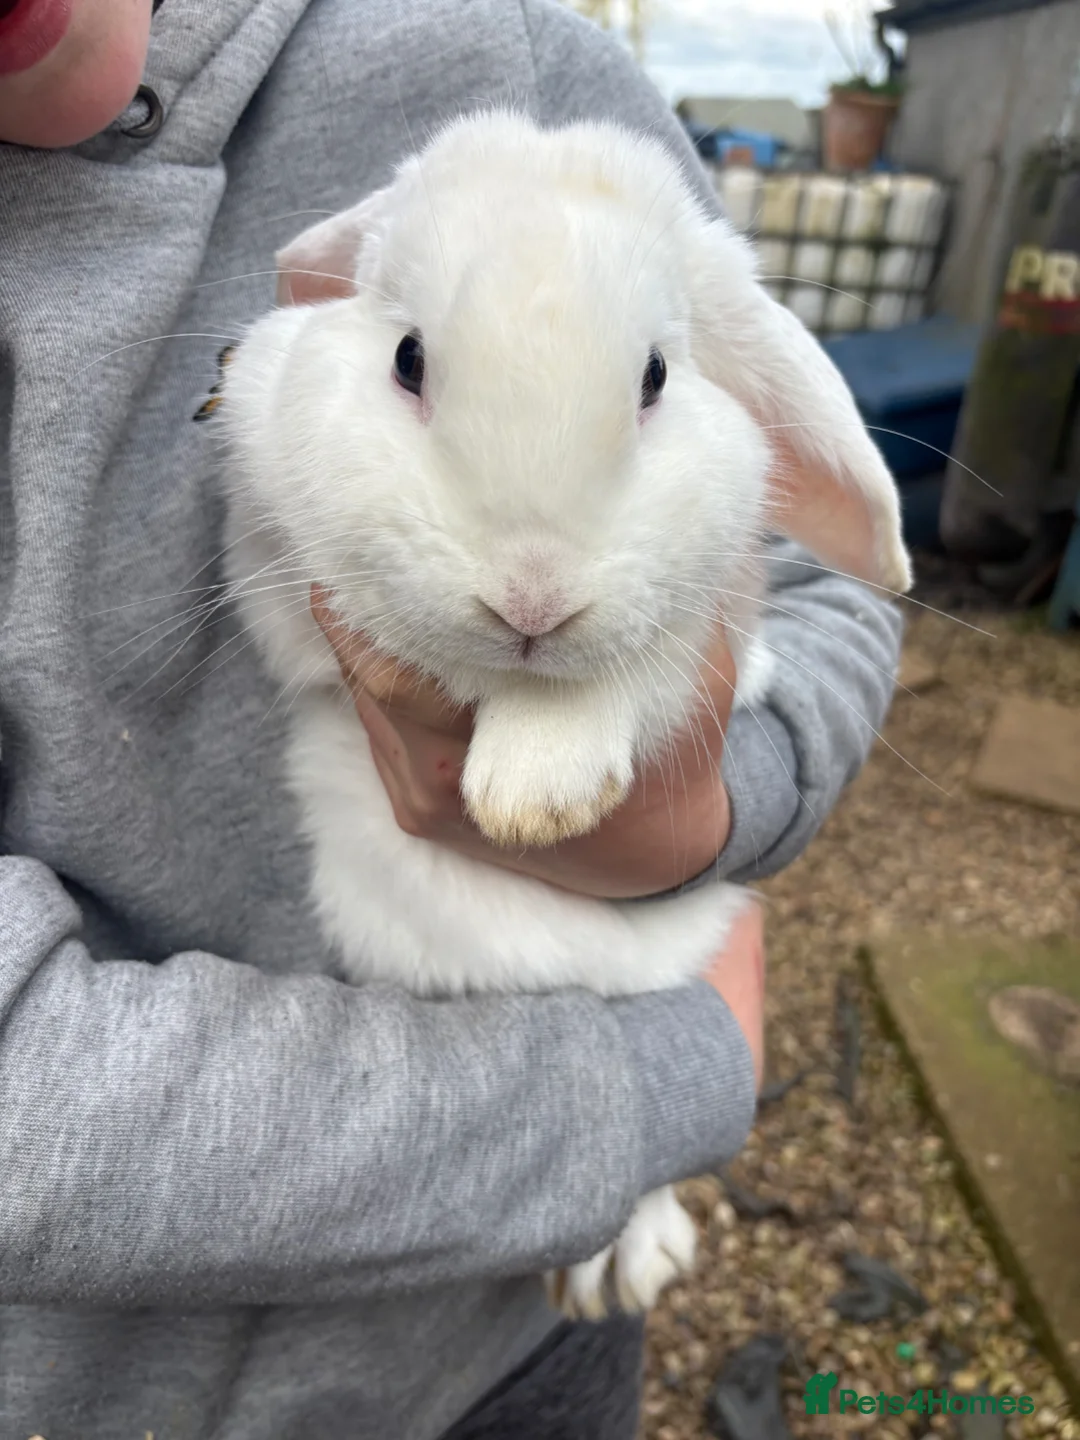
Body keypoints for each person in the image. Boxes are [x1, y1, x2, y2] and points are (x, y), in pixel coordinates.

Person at [0, 1, 902, 1437]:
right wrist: (644, 1088)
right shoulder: (320, 354)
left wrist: (704, 808)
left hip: (509, 1363)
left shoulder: (516, 73)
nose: (528, 596)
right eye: (412, 369)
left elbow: (816, 589)